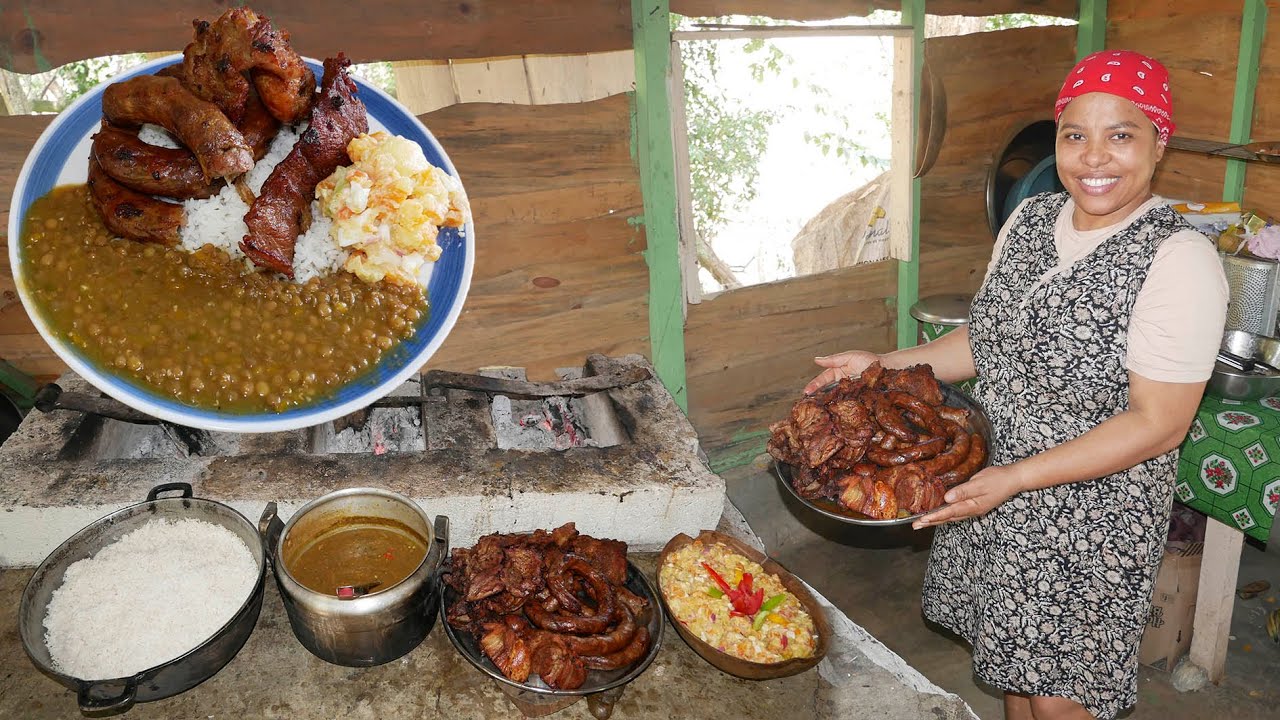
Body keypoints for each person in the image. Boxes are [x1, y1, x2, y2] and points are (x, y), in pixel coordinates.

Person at [804, 50, 1229, 720]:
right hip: (992, 479)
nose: (1094, 157)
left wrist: (1017, 478)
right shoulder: (1029, 221)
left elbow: (1160, 423)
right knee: (1011, 671)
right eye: (1075, 135)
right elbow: (987, 340)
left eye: (1121, 134)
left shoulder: (1179, 259)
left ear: (1159, 143)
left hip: (1090, 512)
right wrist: (879, 365)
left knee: (1060, 701)